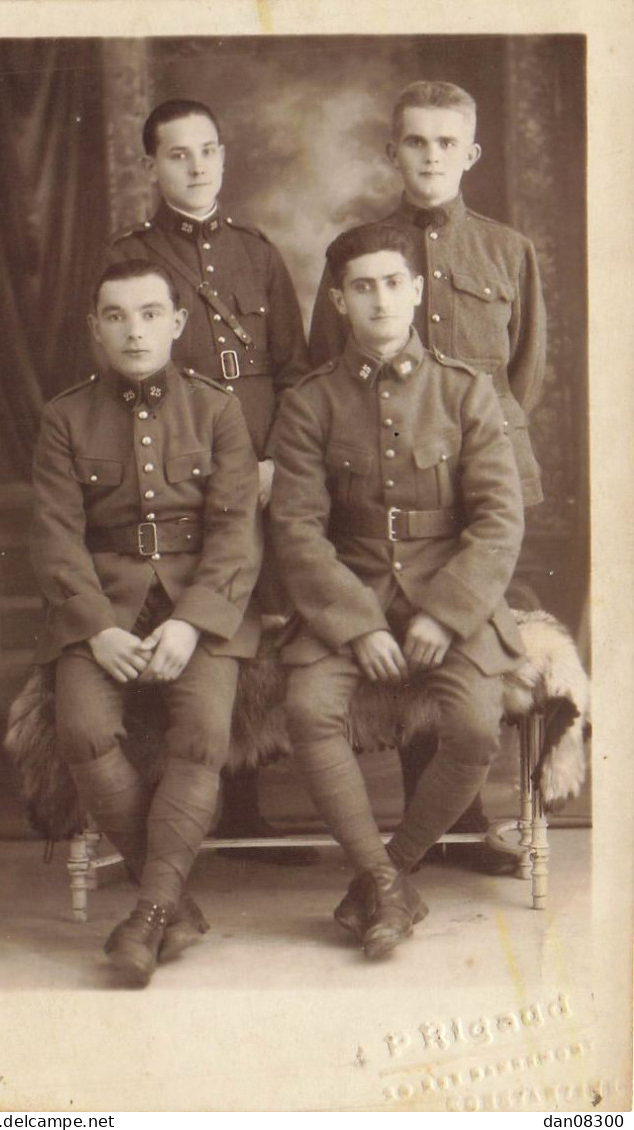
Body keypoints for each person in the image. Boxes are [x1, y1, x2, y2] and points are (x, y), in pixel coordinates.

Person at [270, 223, 525, 956]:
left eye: (391, 283)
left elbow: (498, 520)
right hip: (344, 590)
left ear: (415, 291)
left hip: (453, 587)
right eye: (361, 288)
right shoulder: (310, 403)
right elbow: (295, 528)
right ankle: (382, 882)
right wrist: (357, 626)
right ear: (340, 302)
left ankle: (388, 875)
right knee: (306, 709)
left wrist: (445, 616)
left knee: (475, 726)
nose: (379, 300)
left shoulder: (465, 391)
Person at [308, 80, 546, 865]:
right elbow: (324, 361)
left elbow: (522, 372)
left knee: (461, 643)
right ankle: (429, 827)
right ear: (393, 151)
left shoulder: (508, 251)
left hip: (483, 479)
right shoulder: (362, 252)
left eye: (447, 142)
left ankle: (467, 824)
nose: (431, 156)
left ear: (470, 153)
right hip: (381, 483)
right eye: (416, 141)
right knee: (406, 628)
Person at [30, 260, 263, 986]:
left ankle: (150, 914)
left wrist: (192, 624)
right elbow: (55, 539)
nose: (135, 331)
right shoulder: (64, 417)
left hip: (201, 604)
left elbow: (234, 534)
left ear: (177, 324)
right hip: (104, 606)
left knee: (200, 737)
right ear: (96, 327)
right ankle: (171, 905)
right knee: (81, 731)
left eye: (149, 314)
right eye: (117, 316)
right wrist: (97, 627)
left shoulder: (218, 410)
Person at [101, 98, 314, 863]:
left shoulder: (257, 253)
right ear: (151, 165)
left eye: (207, 151)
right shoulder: (130, 255)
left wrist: (270, 461)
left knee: (257, 630)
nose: (195, 167)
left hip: (258, 472)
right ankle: (200, 803)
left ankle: (251, 805)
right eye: (177, 155)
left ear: (224, 157)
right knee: (199, 622)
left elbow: (294, 372)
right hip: (182, 475)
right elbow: (119, 376)